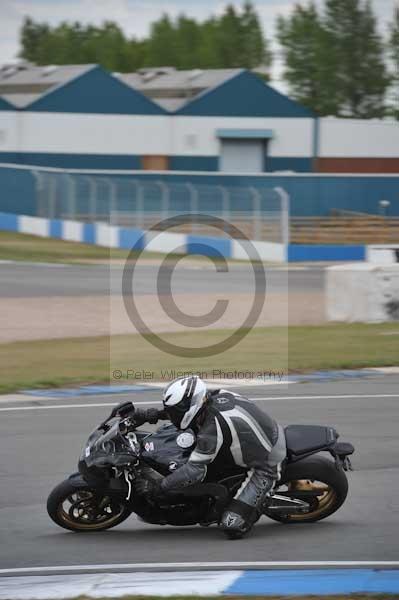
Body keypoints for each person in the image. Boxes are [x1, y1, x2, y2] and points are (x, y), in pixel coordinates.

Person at [122, 375, 286, 539]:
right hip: (256, 438)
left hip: (267, 463)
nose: (172, 414)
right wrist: (154, 415)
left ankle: (259, 502)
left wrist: (159, 487)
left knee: (231, 525)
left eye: (174, 411)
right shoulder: (213, 396)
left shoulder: (210, 432)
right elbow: (184, 411)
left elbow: (194, 472)